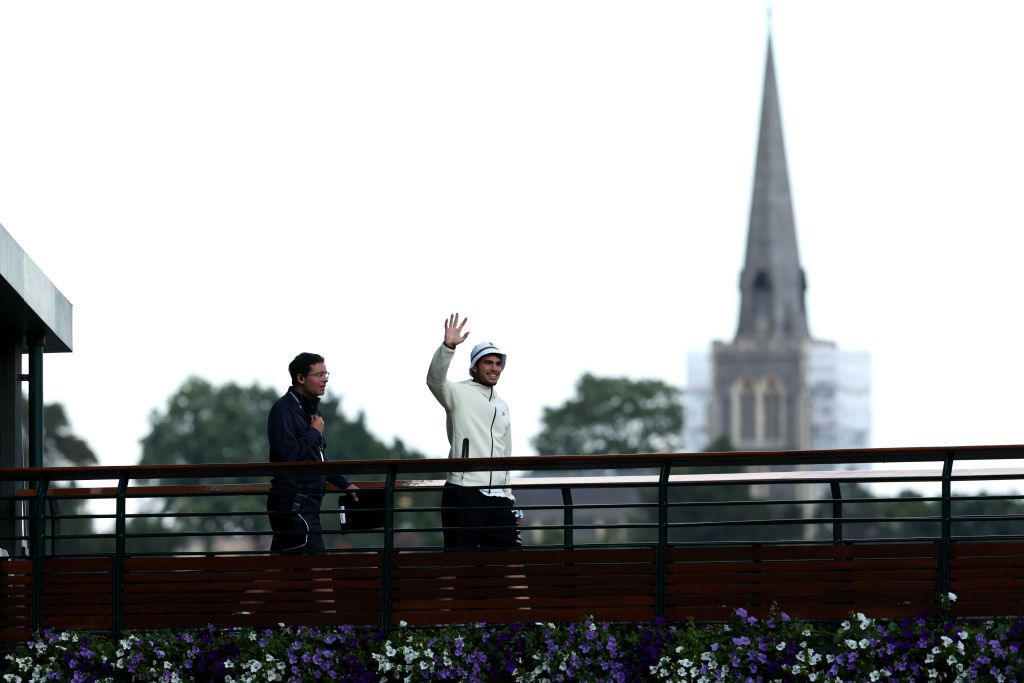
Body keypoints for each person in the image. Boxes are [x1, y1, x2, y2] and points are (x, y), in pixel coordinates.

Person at [427, 313, 520, 550]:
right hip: (464, 491)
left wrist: (508, 493)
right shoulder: (457, 392)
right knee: (458, 564)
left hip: (499, 497)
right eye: (488, 362)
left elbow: (505, 453)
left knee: (511, 563)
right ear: (475, 367)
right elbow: (434, 380)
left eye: (498, 363)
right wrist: (448, 347)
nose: (494, 368)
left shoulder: (503, 405)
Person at [266, 352, 359, 554]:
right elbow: (287, 455)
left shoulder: (310, 409)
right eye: (319, 374)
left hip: (303, 506)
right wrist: (314, 432)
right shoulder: (283, 409)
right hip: (295, 506)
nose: (325, 380)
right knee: (319, 575)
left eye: (326, 374)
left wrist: (344, 482)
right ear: (301, 378)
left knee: (284, 574)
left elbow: (317, 458)